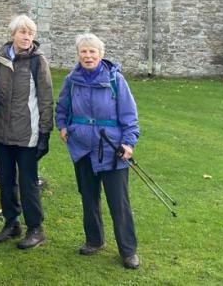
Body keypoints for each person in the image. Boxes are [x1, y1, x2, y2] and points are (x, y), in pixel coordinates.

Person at [55, 33, 141, 270]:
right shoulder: (71, 80)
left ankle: (128, 250)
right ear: (78, 54)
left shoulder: (116, 80)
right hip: (82, 148)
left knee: (118, 202)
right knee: (89, 198)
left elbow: (129, 116)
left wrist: (128, 143)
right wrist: (62, 126)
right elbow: (61, 106)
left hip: (112, 149)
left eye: (92, 51)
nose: (88, 55)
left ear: (101, 55)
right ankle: (94, 240)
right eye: (84, 51)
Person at [0, 14, 54, 249]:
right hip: (2, 130)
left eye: (30, 33)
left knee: (28, 182)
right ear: (13, 34)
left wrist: (45, 134)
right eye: (22, 32)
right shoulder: (2, 57)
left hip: (27, 132)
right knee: (5, 180)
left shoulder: (37, 61)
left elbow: (46, 99)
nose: (26, 37)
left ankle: (36, 229)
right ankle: (12, 223)